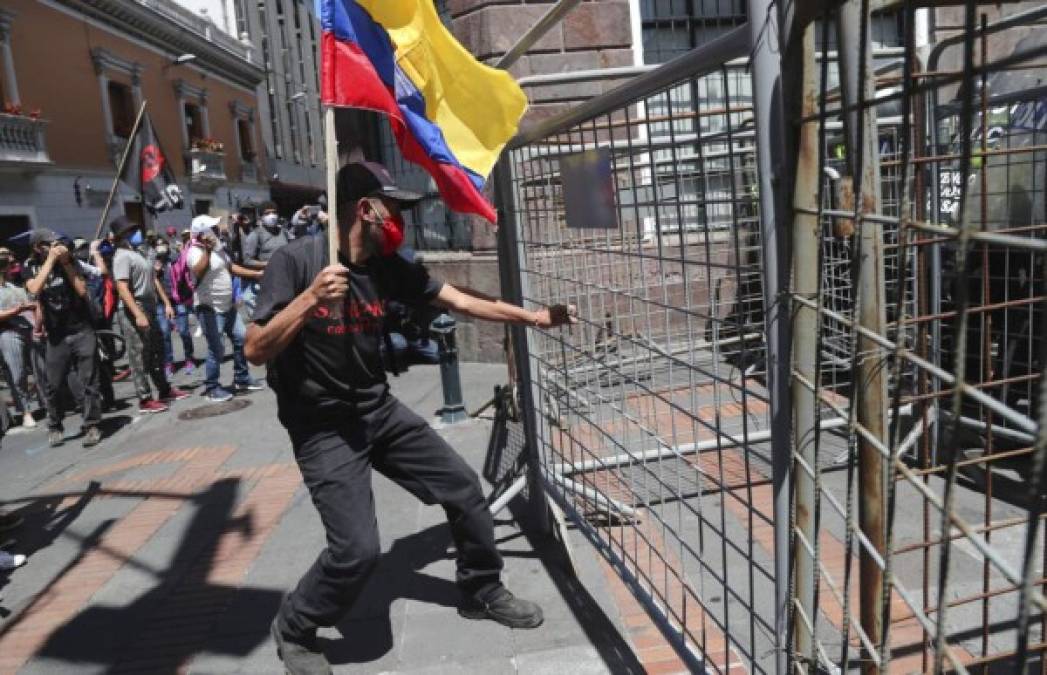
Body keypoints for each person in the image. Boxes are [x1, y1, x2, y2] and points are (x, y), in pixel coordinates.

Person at [246, 162, 576, 674]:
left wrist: (533, 318)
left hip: (376, 409)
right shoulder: (296, 261)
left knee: (464, 490)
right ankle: (295, 626)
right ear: (366, 209)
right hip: (323, 426)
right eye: (394, 208)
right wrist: (310, 300)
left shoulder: (387, 264)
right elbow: (254, 348)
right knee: (356, 551)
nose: (400, 219)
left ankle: (480, 588)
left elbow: (460, 300)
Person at [24, 228, 103, 447]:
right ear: (38, 248)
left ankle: (92, 425)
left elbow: (81, 289)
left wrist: (67, 264)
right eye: (49, 244)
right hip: (56, 336)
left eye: (57, 243)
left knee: (89, 379)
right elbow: (33, 290)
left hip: (81, 329)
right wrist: (49, 262)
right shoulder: (30, 266)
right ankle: (55, 425)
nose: (56, 247)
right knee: (53, 384)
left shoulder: (71, 262)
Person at [110, 217, 190, 413]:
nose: (136, 233)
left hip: (150, 306)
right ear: (123, 236)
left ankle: (164, 389)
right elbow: (122, 287)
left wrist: (166, 302)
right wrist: (137, 314)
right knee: (138, 355)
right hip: (134, 308)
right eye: (131, 231)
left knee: (157, 350)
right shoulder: (121, 256)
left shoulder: (137, 253)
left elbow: (153, 279)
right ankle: (144, 399)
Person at [187, 214, 264, 402]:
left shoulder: (219, 248)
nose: (217, 230)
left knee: (241, 338)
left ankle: (242, 378)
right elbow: (198, 270)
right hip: (210, 308)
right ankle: (212, 387)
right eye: (212, 228)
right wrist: (207, 249)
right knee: (217, 348)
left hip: (227, 305)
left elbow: (231, 268)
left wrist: (256, 274)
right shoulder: (194, 251)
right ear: (203, 232)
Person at [0, 251, 39, 429]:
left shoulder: (14, 286)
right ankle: (26, 411)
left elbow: (31, 305)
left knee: (40, 369)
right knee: (18, 374)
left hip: (28, 329)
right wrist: (17, 310)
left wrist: (37, 322)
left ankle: (48, 405)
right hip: (8, 333)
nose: (9, 264)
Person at [154, 237, 196, 377]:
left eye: (163, 245)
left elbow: (185, 268)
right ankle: (168, 363)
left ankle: (189, 359)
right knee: (165, 333)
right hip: (161, 303)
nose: (160, 248)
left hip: (179, 300)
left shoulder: (175, 259)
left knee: (184, 331)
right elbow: (153, 283)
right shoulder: (153, 263)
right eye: (157, 246)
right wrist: (155, 271)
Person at [241, 201, 289, 317]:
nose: (272, 216)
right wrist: (268, 264)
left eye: (274, 212)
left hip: (285, 280)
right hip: (267, 283)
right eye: (267, 213)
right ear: (261, 217)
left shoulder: (283, 232)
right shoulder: (256, 234)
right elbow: (247, 260)